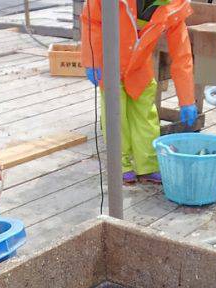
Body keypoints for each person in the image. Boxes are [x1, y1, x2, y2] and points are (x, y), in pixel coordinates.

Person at [81, 0, 198, 185]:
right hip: (110, 64)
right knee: (115, 115)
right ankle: (120, 165)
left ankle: (148, 166)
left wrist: (187, 99)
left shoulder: (175, 4)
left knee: (146, 116)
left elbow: (181, 55)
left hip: (140, 68)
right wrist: (92, 58)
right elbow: (91, 20)